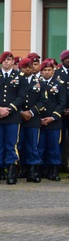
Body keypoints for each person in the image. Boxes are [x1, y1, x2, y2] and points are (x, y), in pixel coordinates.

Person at [36, 59, 66, 181]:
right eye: (45, 70)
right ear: (41, 71)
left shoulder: (60, 84)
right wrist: (39, 117)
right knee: (40, 146)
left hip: (54, 121)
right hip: (39, 120)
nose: (47, 72)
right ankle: (41, 169)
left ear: (53, 71)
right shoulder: (36, 83)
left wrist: (53, 117)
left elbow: (62, 102)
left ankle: (54, 170)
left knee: (54, 147)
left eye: (49, 70)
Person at [0, 51, 26, 184]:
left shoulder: (20, 76)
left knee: (11, 144)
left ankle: (11, 169)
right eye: (4, 60)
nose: (6, 62)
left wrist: (9, 109)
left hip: (12, 116)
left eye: (9, 60)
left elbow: (21, 96)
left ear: (12, 62)